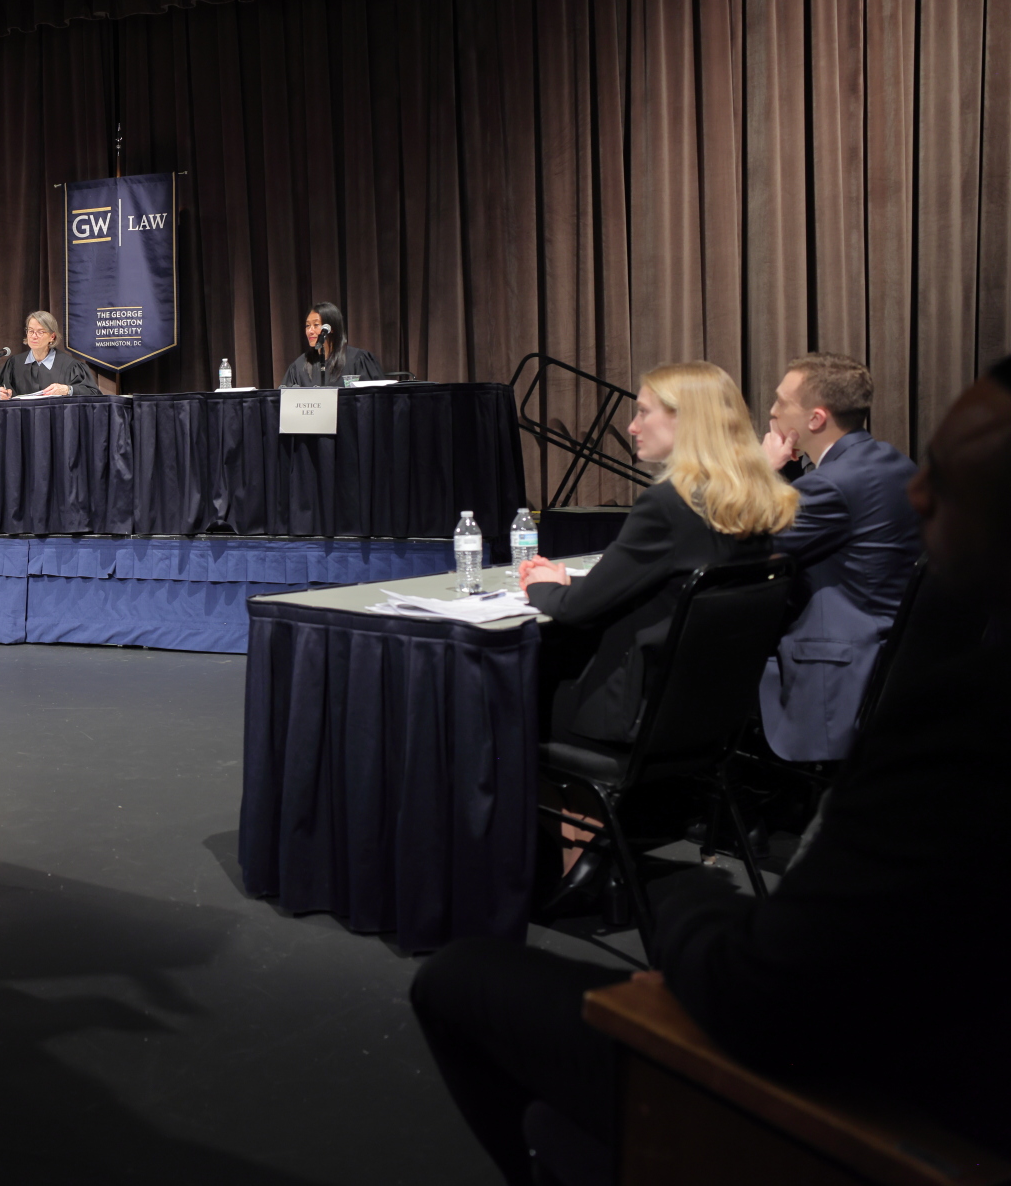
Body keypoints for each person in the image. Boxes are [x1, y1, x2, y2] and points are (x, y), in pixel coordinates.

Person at [410, 358, 1011, 1183]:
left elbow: (770, 996)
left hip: (848, 1096)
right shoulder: (767, 506)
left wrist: (682, 898)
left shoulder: (961, 725)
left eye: (948, 475)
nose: (916, 496)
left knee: (458, 971)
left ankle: (532, 865)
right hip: (706, 730)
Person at [517, 362, 797, 908]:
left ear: (685, 422)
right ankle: (595, 851)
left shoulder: (667, 505)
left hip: (630, 713)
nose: (631, 425)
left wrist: (542, 584)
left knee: (507, 703)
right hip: (705, 718)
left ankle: (584, 857)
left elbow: (576, 608)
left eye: (643, 411)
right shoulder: (756, 501)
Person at [755, 354, 921, 762]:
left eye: (781, 402)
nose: (772, 411)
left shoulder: (831, 484)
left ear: (815, 419)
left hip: (845, 664)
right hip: (896, 653)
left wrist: (762, 472)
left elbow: (749, 548)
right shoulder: (896, 463)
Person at [0, 311, 99, 398]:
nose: (34, 336)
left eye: (40, 332)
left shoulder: (70, 365)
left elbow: (93, 393)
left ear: (52, 337)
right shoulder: (14, 363)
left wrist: (67, 390)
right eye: (31, 331)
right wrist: (1, 395)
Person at [280, 301, 384, 386]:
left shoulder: (357, 359)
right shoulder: (300, 365)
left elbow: (373, 399)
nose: (310, 331)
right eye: (307, 326)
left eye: (316, 325)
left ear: (331, 328)